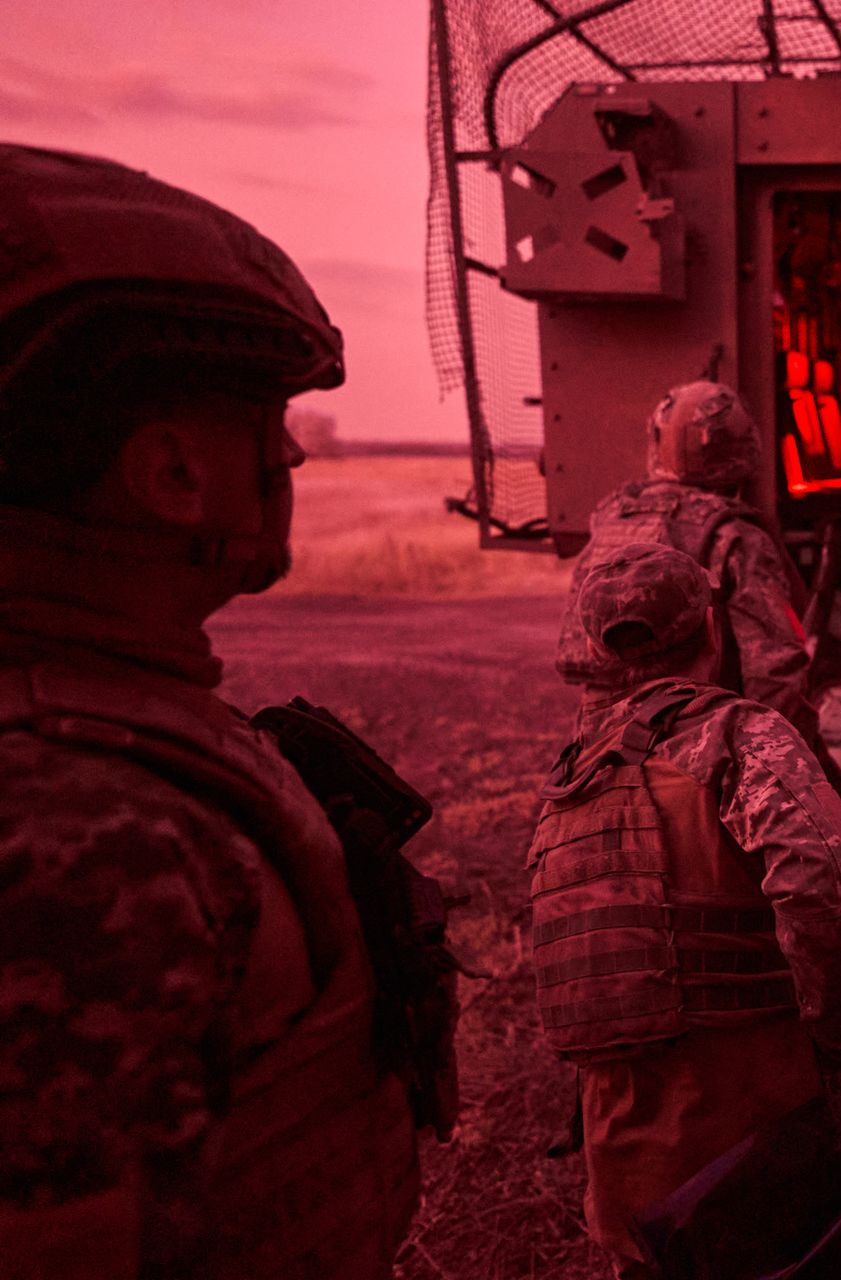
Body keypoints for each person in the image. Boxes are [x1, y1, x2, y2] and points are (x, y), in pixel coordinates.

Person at [0, 146, 426, 1277]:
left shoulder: (112, 744)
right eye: (266, 419)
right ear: (174, 476)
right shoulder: (82, 836)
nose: (290, 453)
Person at [531, 542, 841, 1277]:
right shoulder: (737, 737)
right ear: (711, 628)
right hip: (761, 1150)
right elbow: (828, 889)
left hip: (631, 1183)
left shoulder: (568, 786)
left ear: (598, 652)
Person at [557, 380, 812, 731]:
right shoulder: (735, 536)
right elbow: (775, 675)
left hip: (603, 737)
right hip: (698, 736)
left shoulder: (611, 516)